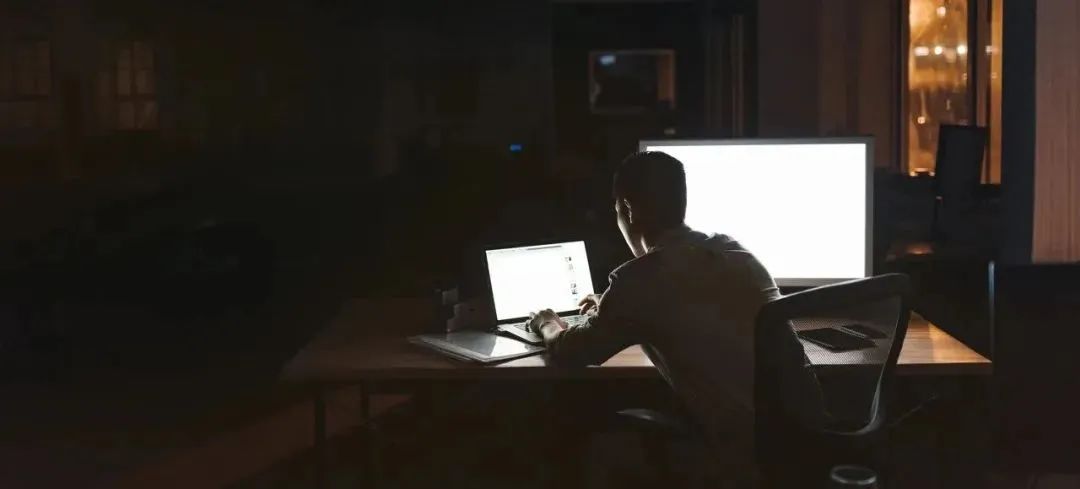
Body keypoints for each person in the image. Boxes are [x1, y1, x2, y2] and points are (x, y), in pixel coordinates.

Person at [526, 151, 823, 483]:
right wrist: (611, 304)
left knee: (597, 451)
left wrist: (547, 321)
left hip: (740, 459)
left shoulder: (639, 280)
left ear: (627, 209)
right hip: (805, 447)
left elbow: (573, 351)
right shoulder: (738, 253)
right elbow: (695, 304)